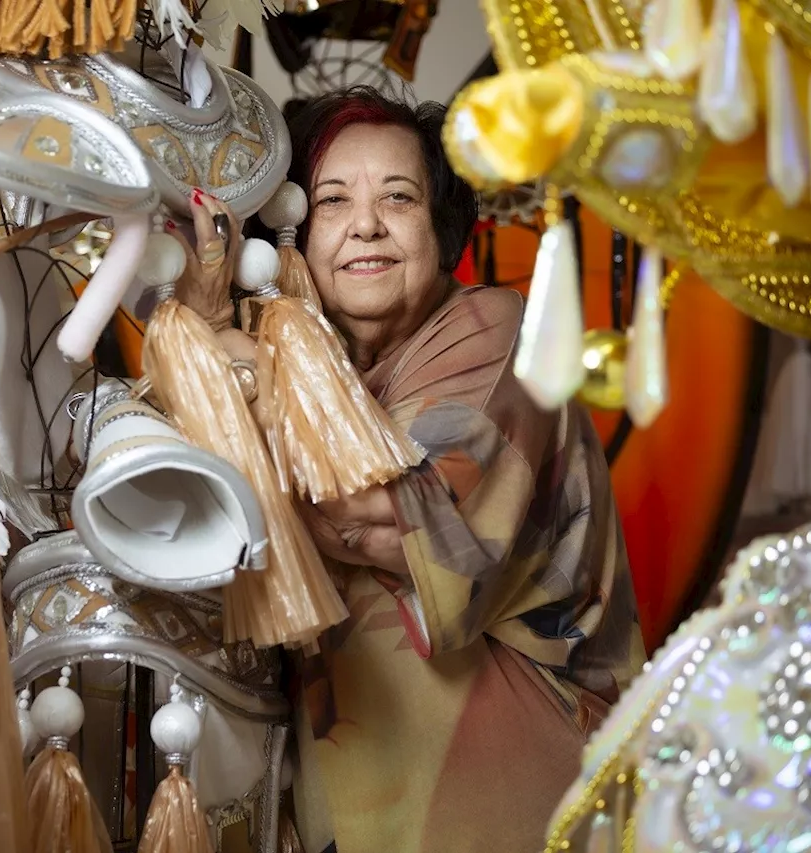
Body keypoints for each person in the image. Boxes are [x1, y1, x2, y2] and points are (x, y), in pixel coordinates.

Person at [167, 86, 645, 853]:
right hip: (354, 792)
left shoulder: (491, 336)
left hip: (516, 798)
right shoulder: (305, 358)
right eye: (332, 200)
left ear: (439, 224)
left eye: (399, 196)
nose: (366, 225)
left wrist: (222, 354)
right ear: (289, 234)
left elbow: (367, 506)